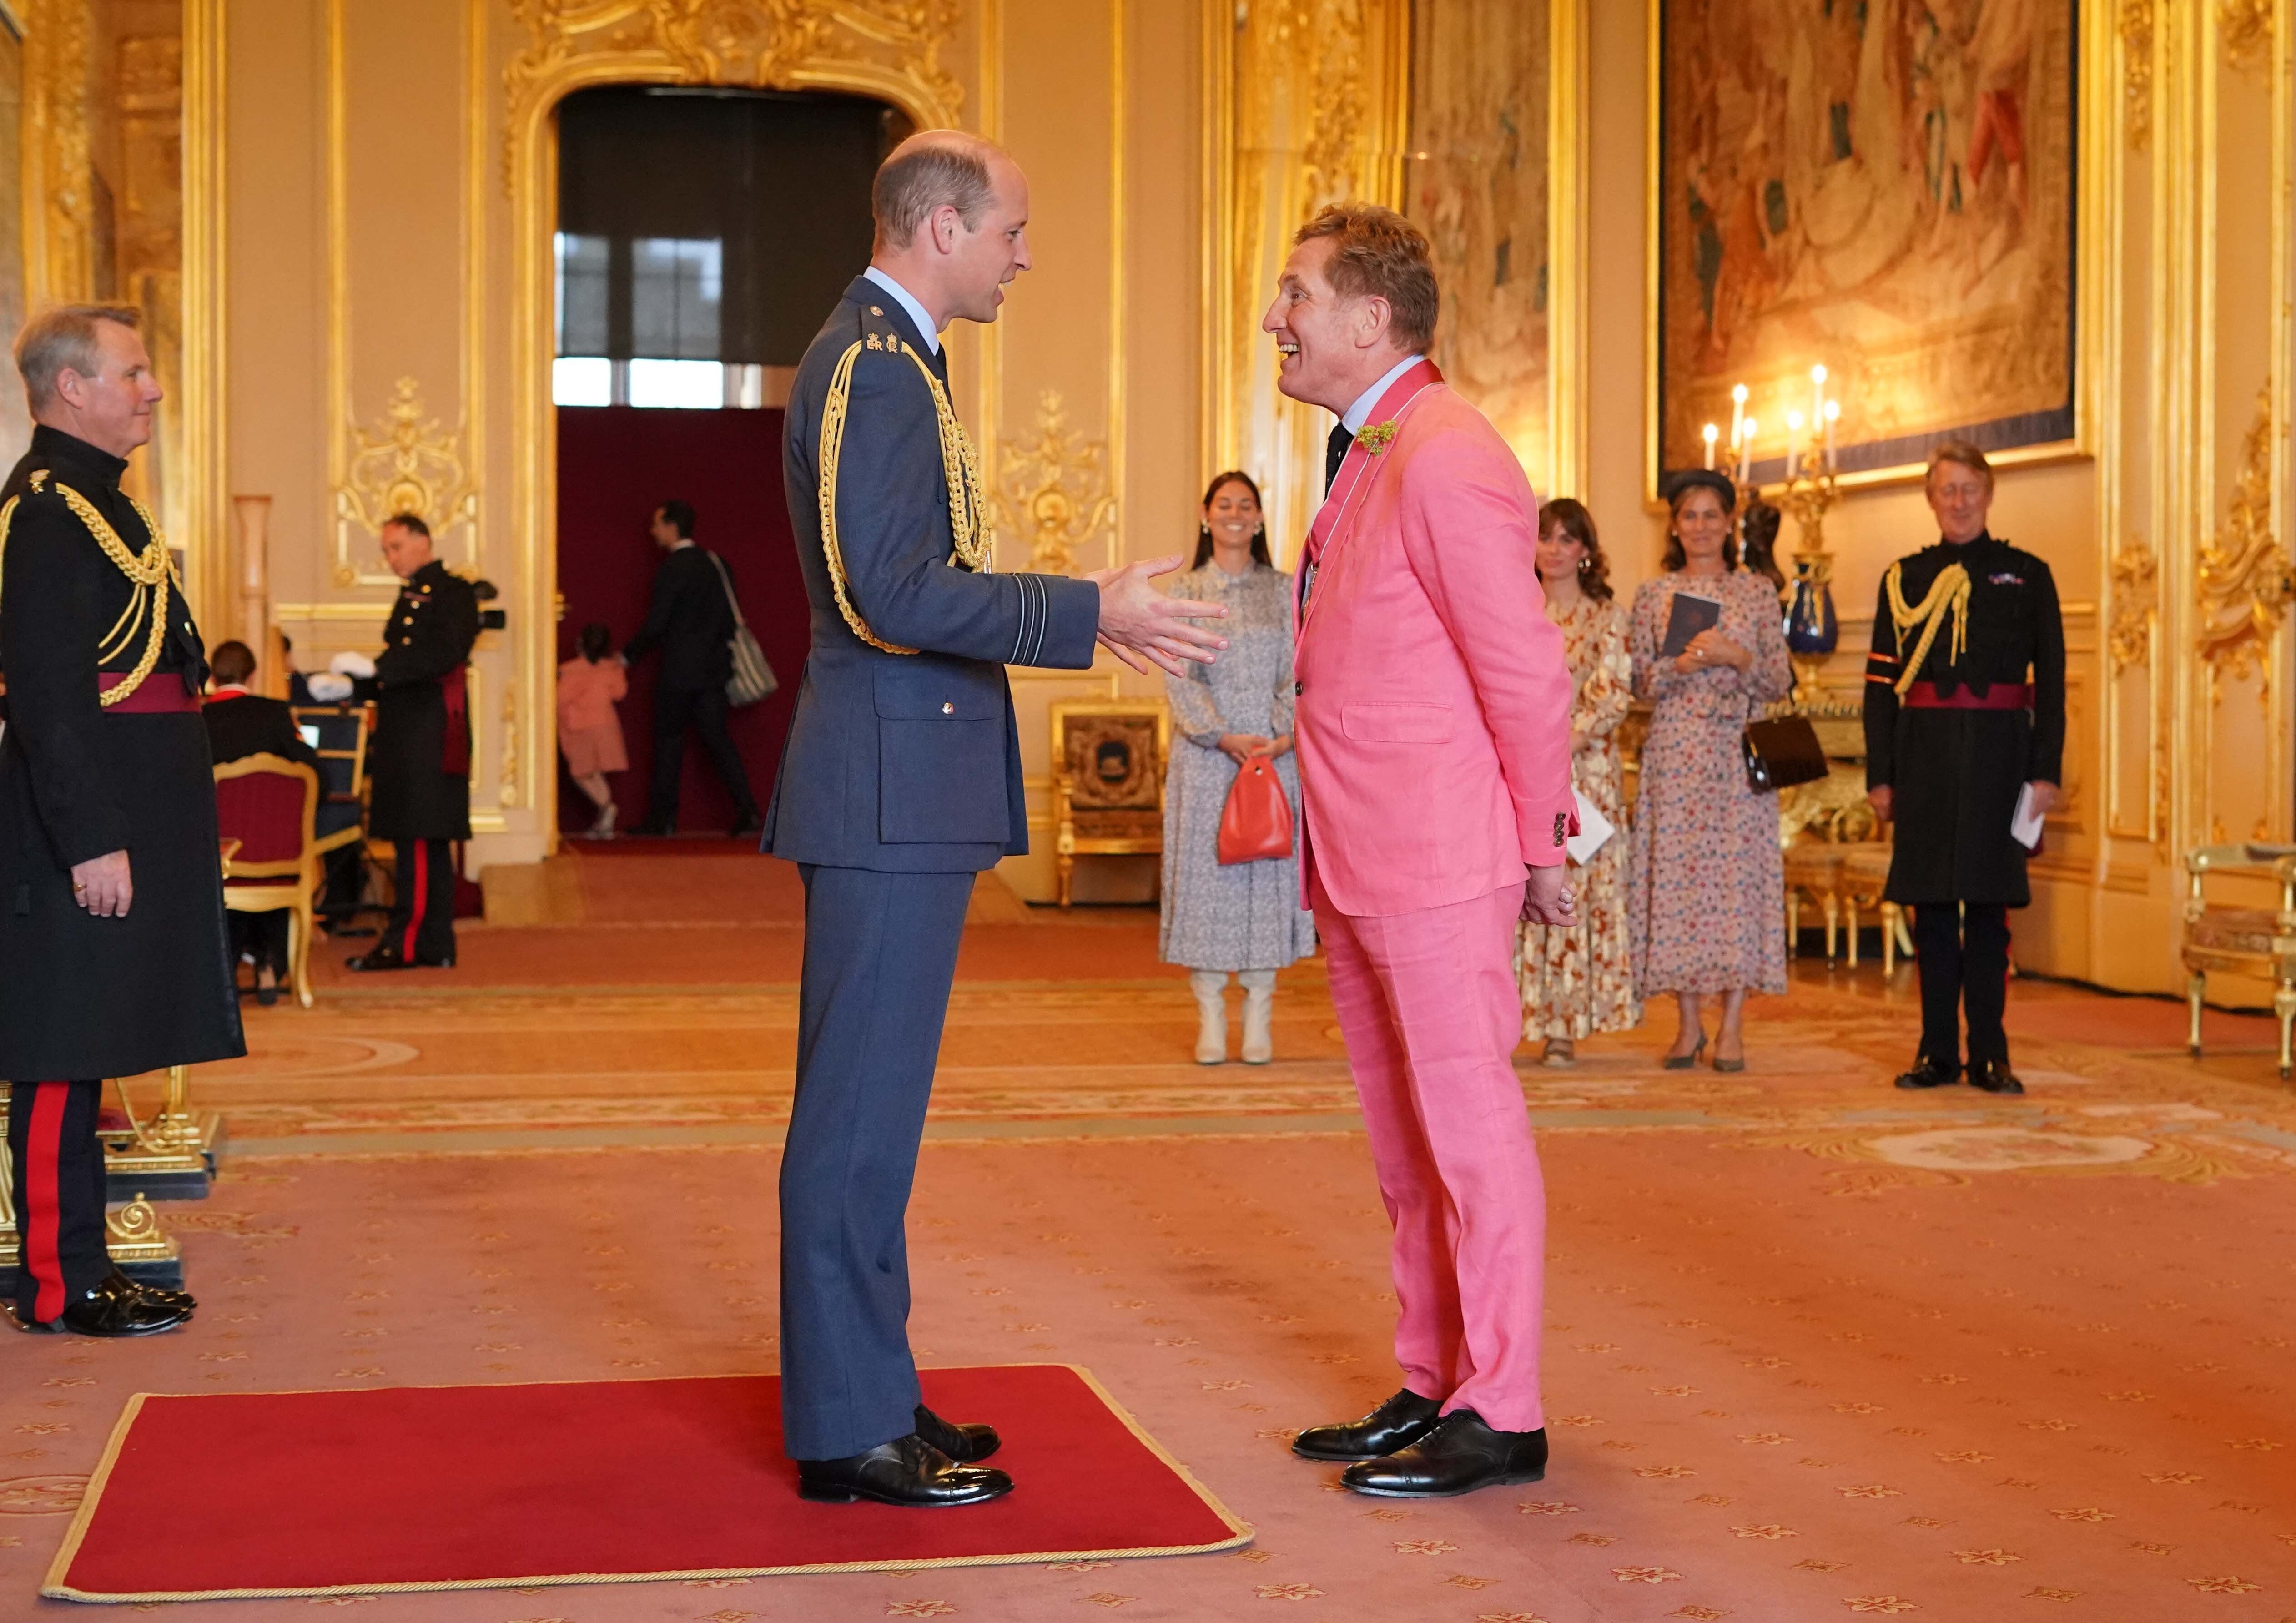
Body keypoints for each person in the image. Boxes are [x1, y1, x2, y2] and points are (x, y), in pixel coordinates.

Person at [766, 130, 1226, 1508]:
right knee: (852, 1121)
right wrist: (1091, 611)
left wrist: (1076, 603)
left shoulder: (895, 361)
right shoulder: (872, 367)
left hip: (903, 776)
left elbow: (906, 578)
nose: (1025, 256)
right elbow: (886, 596)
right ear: (944, 227)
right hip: (886, 780)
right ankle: (846, 1430)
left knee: (876, 1119)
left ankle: (871, 1387)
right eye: (1013, 232)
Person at [1269, 203, 1577, 1498]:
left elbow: (1527, 670)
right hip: (1359, 856)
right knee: (1406, 1147)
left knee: (1468, 1134)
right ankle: (1431, 1377)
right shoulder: (1370, 448)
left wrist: (1546, 843)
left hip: (1442, 856)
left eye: (1294, 295)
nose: (1274, 319)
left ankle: (1502, 1406)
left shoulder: (1448, 453)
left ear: (1368, 318)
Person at [0, 302, 240, 1335]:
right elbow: (51, 696)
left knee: (88, 1040)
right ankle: (61, 1278)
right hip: (81, 827)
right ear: (72, 388)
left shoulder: (100, 504)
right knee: (59, 1048)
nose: (151, 388)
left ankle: (85, 1259)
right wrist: (93, 833)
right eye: (134, 372)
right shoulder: (47, 512)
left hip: (130, 813)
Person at [1865, 442, 2063, 1094]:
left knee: (1987, 912)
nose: (1958, 502)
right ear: (1931, 500)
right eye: (1946, 490)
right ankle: (1936, 1053)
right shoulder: (1904, 578)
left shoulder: (2028, 574)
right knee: (1931, 913)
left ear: (1988, 493)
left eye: (1969, 489)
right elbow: (1879, 687)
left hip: (2001, 756)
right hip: (1925, 756)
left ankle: (1991, 1054)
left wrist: (2045, 773)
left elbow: (2054, 684)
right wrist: (1882, 775)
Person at [1624, 471, 1794, 1071]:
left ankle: (1733, 1028)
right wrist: (1682, 664)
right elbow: (1638, 681)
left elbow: (1779, 682)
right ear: (1675, 525)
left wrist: (1734, 656)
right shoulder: (1653, 593)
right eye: (1689, 516)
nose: (1700, 527)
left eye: (1711, 515)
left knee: (1735, 890)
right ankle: (1689, 1023)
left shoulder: (1757, 593)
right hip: (1674, 754)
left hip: (1735, 755)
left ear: (1729, 524)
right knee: (1680, 888)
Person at [1159, 470, 1314, 1065]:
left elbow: (1299, 668)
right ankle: (1208, 1015)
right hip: (1207, 764)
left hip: (1275, 761)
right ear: (1206, 514)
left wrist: (1277, 736)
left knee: (1265, 886)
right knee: (1207, 888)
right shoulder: (1183, 591)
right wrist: (1220, 735)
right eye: (1224, 504)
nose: (1234, 513)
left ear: (1258, 517)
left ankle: (1258, 1017)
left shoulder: (1284, 590)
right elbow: (1179, 673)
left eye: (1245, 505)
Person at [1520, 499, 1639, 1066]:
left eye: (1568, 539)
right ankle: (1516, 1014)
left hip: (1585, 775)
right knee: (1515, 890)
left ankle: (1563, 1022)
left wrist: (1558, 743)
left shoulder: (1608, 618)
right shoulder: (1512, 612)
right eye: (1546, 536)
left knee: (1572, 893)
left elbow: (1613, 694)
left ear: (1586, 551)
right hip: (1517, 772)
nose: (1555, 548)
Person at [337, 512, 479, 972]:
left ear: (423, 541)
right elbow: (403, 665)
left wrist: (378, 671)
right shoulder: (416, 593)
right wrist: (352, 686)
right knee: (417, 839)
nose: (390, 558)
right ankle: (433, 942)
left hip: (429, 733)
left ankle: (409, 942)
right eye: (386, 550)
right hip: (409, 731)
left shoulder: (453, 593)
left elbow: (440, 655)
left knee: (418, 838)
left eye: (396, 547)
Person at [623, 500, 760, 837]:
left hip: (678, 673)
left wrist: (627, 657)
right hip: (714, 671)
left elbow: (657, 624)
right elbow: (730, 619)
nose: (653, 531)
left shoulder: (672, 568)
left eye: (657, 524)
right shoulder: (717, 564)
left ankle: (663, 819)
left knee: (668, 743)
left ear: (672, 527)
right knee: (718, 741)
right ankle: (749, 810)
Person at [204, 638, 322, 1006]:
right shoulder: (274, 714)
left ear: (211, 677)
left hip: (219, 857)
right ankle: (268, 963)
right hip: (276, 857)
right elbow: (312, 772)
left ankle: (225, 966)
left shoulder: (197, 719)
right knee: (267, 856)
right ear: (252, 676)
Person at [559, 621, 629, 838]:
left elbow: (559, 699)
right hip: (606, 725)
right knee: (595, 772)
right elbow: (619, 693)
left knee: (581, 772)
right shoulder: (612, 668)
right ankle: (605, 820)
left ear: (581, 645)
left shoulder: (569, 670)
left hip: (581, 727)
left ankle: (607, 808)